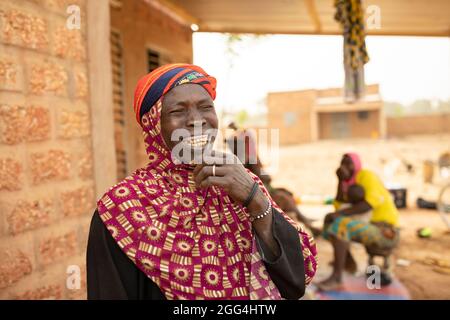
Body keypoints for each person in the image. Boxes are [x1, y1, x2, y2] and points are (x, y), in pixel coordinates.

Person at [86, 64, 317, 300]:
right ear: (154, 125)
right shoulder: (123, 208)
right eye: (177, 111)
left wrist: (255, 199)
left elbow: (298, 278)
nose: (197, 121)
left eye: (206, 107)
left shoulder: (241, 183)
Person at [317, 153, 399, 291]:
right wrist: (340, 181)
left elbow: (369, 204)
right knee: (330, 220)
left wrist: (339, 214)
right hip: (370, 227)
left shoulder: (366, 176)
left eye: (349, 163)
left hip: (385, 231)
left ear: (357, 164)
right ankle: (347, 262)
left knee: (340, 224)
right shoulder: (348, 183)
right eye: (343, 164)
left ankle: (337, 277)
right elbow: (337, 207)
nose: (345, 167)